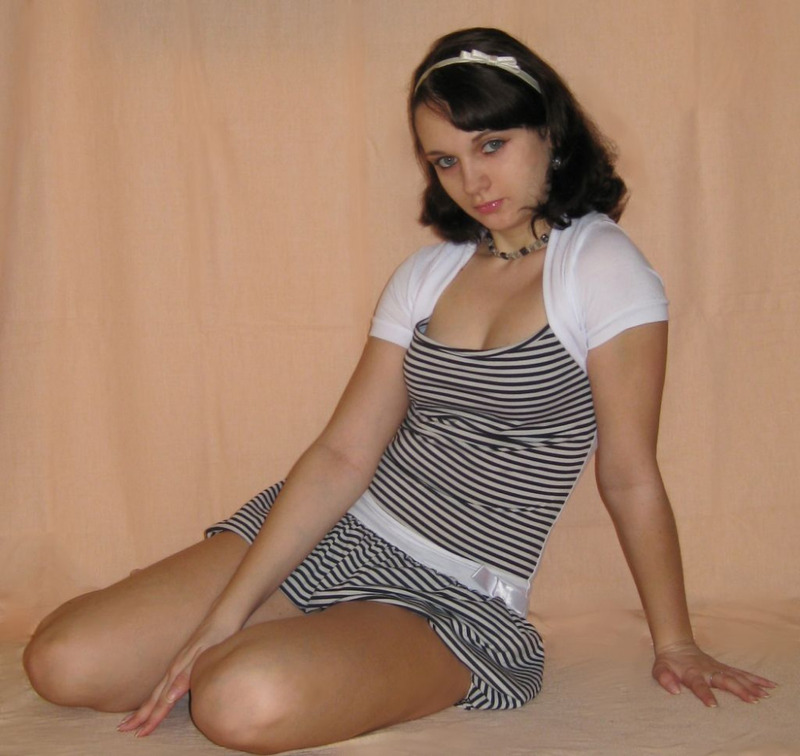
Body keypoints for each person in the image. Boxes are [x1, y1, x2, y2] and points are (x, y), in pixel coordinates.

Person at [22, 27, 775, 755]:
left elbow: (630, 474)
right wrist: (224, 613)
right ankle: (273, 637)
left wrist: (675, 642)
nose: (473, 182)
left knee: (236, 702)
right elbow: (343, 455)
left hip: (455, 587)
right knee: (61, 661)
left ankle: (311, 655)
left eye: (491, 145)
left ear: (549, 129)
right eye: (445, 160)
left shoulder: (602, 269)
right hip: (339, 530)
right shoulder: (428, 274)